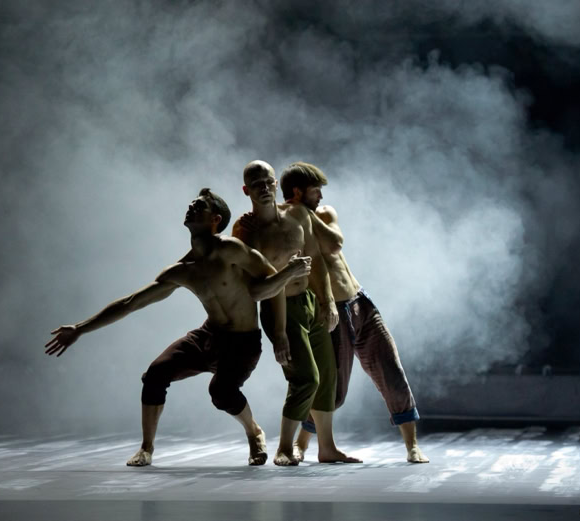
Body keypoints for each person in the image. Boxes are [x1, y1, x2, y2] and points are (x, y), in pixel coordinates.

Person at [45, 188, 311, 467]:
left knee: (221, 393)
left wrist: (281, 324)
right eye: (192, 204)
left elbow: (272, 285)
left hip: (242, 342)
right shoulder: (183, 269)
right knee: (155, 375)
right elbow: (130, 303)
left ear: (215, 220)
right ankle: (146, 448)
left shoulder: (231, 249)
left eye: (200, 206)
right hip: (209, 335)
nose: (192, 206)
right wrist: (79, 328)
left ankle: (254, 432)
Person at [281, 162, 429, 464]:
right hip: (331, 311)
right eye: (315, 190)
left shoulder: (323, 214)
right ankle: (301, 444)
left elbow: (334, 244)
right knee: (331, 390)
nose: (321, 196)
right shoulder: (287, 226)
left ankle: (412, 446)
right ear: (297, 191)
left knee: (392, 372)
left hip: (360, 303)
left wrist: (306, 214)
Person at [233, 160, 361, 466]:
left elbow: (316, 259)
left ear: (276, 184)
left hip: (310, 301)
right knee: (306, 379)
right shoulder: (246, 230)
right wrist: (279, 332)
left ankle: (327, 448)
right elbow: (255, 290)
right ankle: (284, 448)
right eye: (257, 185)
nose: (264, 189)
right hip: (280, 310)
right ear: (246, 190)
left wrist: (327, 301)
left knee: (327, 376)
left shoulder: (298, 215)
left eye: (269, 182)